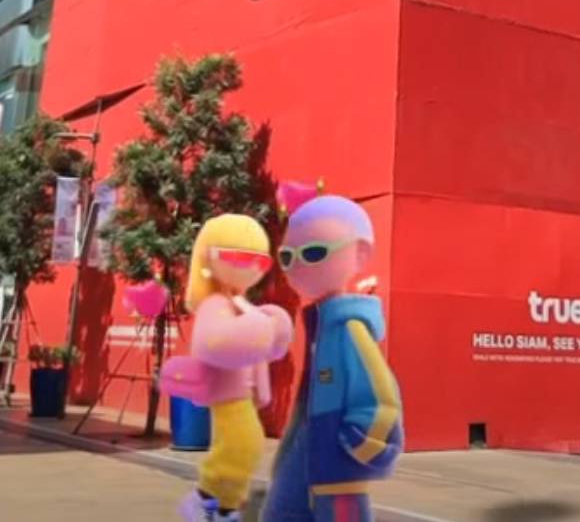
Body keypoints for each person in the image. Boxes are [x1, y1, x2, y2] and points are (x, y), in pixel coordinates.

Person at [261, 183, 403, 522]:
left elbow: (380, 400)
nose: (297, 265)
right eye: (287, 256)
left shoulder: (348, 329)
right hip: (307, 454)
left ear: (360, 254)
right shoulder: (321, 328)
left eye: (313, 253)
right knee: (281, 512)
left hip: (336, 470)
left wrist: (356, 447)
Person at [160, 214, 294, 522]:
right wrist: (258, 330)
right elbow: (212, 342)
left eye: (260, 261)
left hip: (242, 393)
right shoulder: (215, 304)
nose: (251, 267)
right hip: (226, 391)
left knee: (247, 444)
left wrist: (270, 331)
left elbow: (259, 348)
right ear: (209, 257)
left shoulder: (239, 302)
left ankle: (226, 505)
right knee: (241, 444)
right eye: (239, 258)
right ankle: (207, 499)